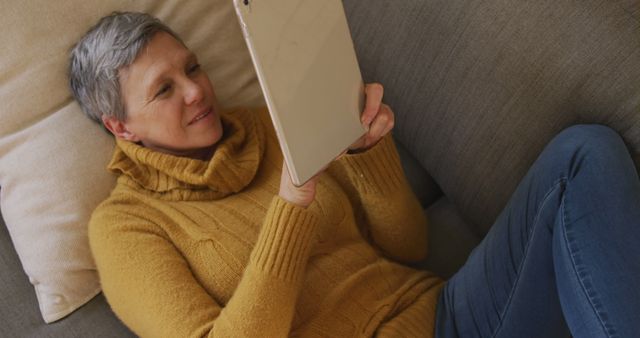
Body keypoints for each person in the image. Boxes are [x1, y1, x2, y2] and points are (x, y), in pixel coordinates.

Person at [69, 12, 640, 338]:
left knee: (581, 154)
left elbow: (409, 245)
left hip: (452, 316)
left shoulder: (268, 123)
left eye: (192, 67)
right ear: (122, 128)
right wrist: (288, 209)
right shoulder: (124, 228)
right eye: (164, 90)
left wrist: (369, 154)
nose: (197, 91)